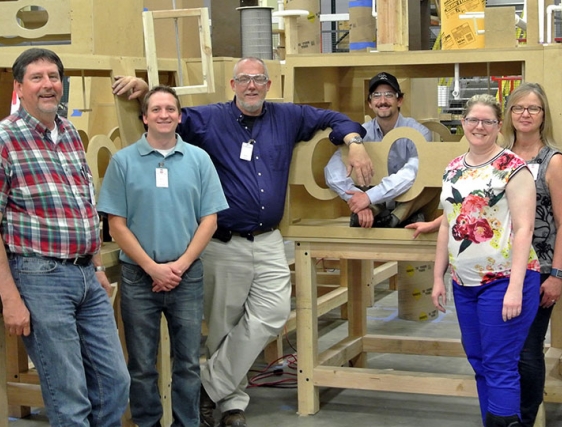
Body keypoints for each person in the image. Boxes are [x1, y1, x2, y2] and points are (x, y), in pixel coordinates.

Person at [112, 56, 374, 427]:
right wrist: (142, 95)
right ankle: (231, 404)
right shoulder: (209, 118)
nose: (251, 85)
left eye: (258, 79)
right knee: (222, 326)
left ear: (268, 85)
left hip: (269, 240)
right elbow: (166, 116)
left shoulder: (288, 117)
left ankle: (207, 387)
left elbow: (334, 119)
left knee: (274, 313)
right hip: (223, 242)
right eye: (244, 79)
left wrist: (354, 140)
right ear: (232, 85)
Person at [0, 48, 130, 426]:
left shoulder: (69, 132)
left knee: (114, 383)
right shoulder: (5, 139)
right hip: (39, 279)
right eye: (37, 77)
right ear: (19, 87)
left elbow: (81, 204)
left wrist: (95, 265)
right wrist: (9, 297)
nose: (47, 85)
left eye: (53, 77)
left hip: (86, 277)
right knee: (69, 395)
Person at [97, 85, 228, 427]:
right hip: (139, 276)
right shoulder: (123, 162)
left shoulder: (199, 160)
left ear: (180, 116)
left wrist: (179, 267)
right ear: (144, 118)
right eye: (156, 109)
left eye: (170, 109)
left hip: (187, 275)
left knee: (186, 361)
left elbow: (209, 220)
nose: (164, 115)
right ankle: (147, 423)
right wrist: (152, 268)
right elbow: (116, 225)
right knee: (141, 363)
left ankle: (188, 423)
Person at [432, 94, 540, 427]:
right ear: (463, 123)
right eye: (473, 120)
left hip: (504, 281)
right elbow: (448, 223)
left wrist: (516, 289)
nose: (479, 127)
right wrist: (438, 276)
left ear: (498, 126)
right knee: (479, 361)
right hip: (464, 284)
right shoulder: (453, 168)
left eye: (488, 121)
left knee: (500, 363)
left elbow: (524, 230)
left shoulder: (513, 168)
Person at [502, 83, 562, 427]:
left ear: (543, 115)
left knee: (527, 352)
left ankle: (524, 420)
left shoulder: (553, 161)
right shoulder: (499, 156)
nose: (525, 114)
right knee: (502, 352)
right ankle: (502, 414)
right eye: (518, 108)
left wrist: (557, 275)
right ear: (509, 114)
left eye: (533, 108)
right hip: (499, 271)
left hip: (538, 272)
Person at [324, 71, 438, 229]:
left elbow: (414, 172)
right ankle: (387, 217)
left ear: (399, 100)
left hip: (410, 202)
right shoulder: (360, 134)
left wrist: (369, 197)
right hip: (376, 203)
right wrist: (357, 199)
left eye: (389, 95)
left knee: (432, 176)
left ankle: (396, 219)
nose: (382, 101)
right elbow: (332, 169)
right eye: (376, 95)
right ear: (370, 103)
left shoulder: (419, 132)